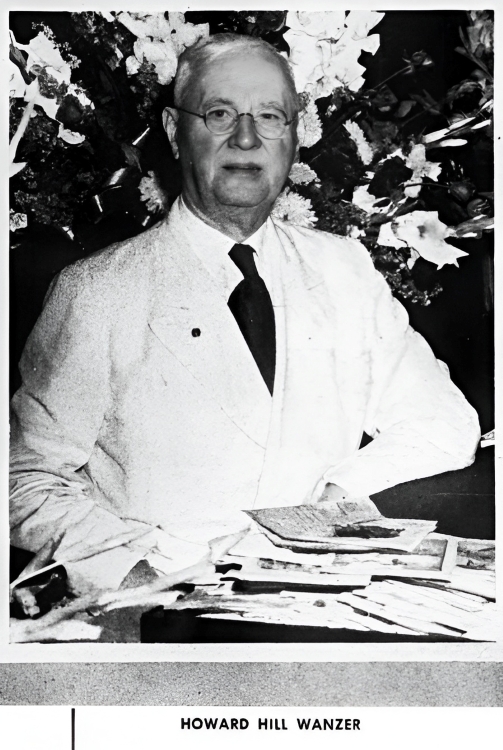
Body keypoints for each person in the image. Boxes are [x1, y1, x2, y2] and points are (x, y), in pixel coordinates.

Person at [10, 34, 480, 608]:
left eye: (270, 116)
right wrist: (135, 575)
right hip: (159, 610)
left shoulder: (343, 268)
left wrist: (334, 497)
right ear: (173, 130)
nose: (247, 138)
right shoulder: (96, 291)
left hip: (318, 604)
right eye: (220, 114)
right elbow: (23, 478)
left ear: (295, 135)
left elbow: (443, 423)